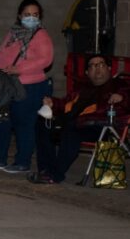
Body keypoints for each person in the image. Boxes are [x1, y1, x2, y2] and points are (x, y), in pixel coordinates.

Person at [0, 0, 54, 173]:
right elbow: (2, 55)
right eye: (27, 14)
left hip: (29, 85)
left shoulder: (41, 35)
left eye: (35, 15)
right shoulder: (13, 34)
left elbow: (45, 59)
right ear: (20, 16)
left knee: (23, 123)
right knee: (1, 121)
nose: (31, 18)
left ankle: (22, 161)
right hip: (7, 85)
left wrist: (19, 69)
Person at [29, 54, 130, 184]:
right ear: (87, 72)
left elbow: (128, 99)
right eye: (92, 66)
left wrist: (122, 97)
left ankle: (54, 175)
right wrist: (52, 102)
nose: (97, 69)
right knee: (43, 123)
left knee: (72, 130)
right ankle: (45, 170)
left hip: (102, 127)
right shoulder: (82, 88)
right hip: (76, 123)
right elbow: (65, 103)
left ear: (109, 68)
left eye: (101, 65)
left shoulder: (119, 85)